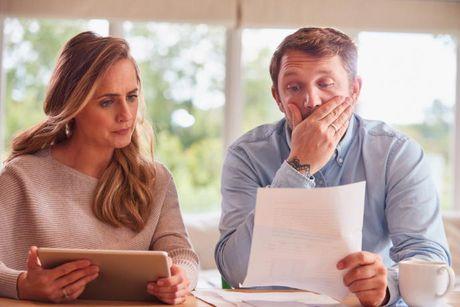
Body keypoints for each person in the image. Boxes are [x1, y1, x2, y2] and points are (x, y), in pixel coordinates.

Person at [215, 27, 451, 306]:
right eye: (294, 87)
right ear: (277, 97)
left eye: (325, 84)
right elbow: (235, 270)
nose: (311, 101)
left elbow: (428, 257)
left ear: (354, 90)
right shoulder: (247, 155)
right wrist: (297, 166)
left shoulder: (396, 153)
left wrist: (387, 284)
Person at [0, 31, 198, 305]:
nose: (126, 115)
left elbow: (182, 255)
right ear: (74, 105)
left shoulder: (155, 179)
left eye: (131, 96)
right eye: (107, 102)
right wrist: (22, 285)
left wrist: (180, 279)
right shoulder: (19, 177)